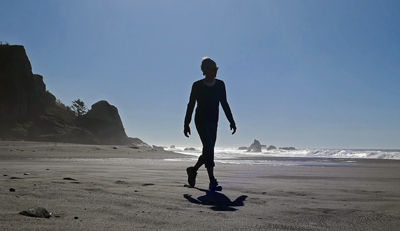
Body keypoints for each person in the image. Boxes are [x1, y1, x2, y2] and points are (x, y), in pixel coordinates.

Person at [184, 57, 236, 191]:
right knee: (209, 147)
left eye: (216, 69)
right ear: (206, 71)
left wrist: (231, 121)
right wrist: (186, 123)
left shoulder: (220, 85)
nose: (216, 71)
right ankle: (212, 180)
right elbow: (191, 105)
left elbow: (224, 104)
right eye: (213, 69)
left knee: (208, 150)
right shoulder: (197, 85)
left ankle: (193, 170)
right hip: (200, 121)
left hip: (214, 121)